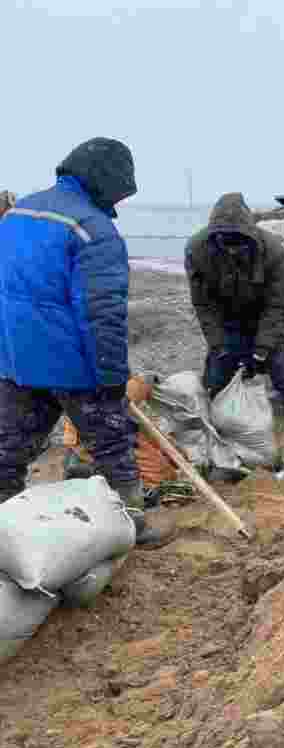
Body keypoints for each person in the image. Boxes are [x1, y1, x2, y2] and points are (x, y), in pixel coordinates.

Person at [0, 137, 169, 547]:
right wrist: (111, 376)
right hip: (72, 362)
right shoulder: (94, 231)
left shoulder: (16, 215)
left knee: (9, 449)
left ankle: (8, 522)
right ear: (106, 182)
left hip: (15, 357)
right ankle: (134, 523)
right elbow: (101, 314)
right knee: (112, 443)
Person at [185, 193, 284, 473]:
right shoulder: (197, 250)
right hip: (227, 325)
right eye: (226, 242)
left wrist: (262, 350)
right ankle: (221, 454)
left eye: (238, 242)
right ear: (214, 236)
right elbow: (203, 304)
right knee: (215, 386)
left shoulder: (272, 250)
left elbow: (277, 305)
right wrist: (218, 345)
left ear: (250, 235)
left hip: (268, 323)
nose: (232, 249)